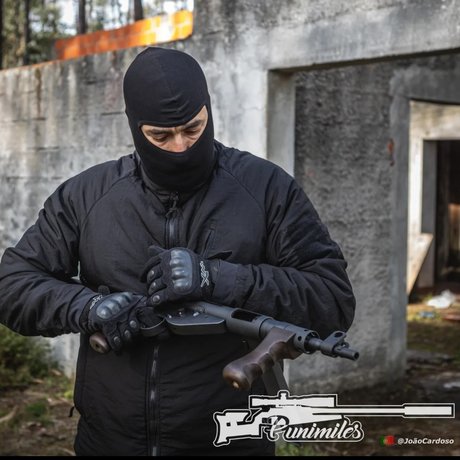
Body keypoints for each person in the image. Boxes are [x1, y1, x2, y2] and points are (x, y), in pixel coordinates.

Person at [0, 46, 356, 456]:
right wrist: (88, 307)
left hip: (230, 442)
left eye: (193, 129)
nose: (181, 147)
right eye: (161, 136)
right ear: (135, 127)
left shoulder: (266, 189)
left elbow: (331, 299)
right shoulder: (87, 195)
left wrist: (218, 278)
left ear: (208, 111)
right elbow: (13, 285)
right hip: (109, 441)